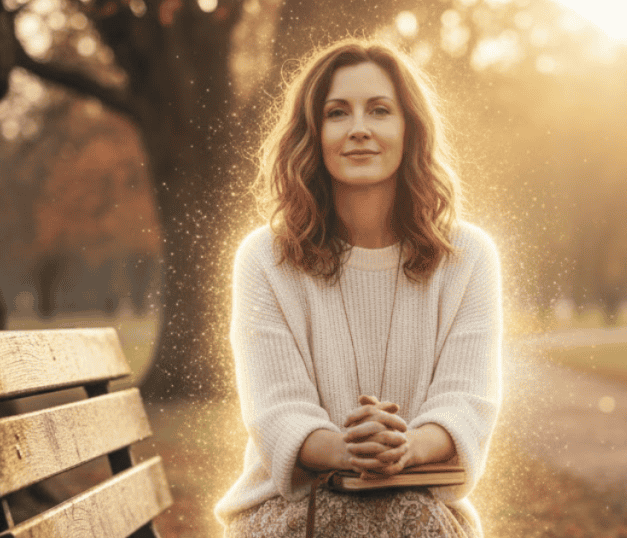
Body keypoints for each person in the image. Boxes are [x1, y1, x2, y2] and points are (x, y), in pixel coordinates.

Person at [214, 38, 503, 537]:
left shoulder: (469, 256)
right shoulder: (265, 258)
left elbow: (466, 400)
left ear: (410, 129)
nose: (360, 129)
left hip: (419, 507)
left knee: (411, 517)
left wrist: (406, 446)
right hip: (287, 509)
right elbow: (277, 411)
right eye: (337, 113)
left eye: (380, 110)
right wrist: (349, 450)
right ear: (313, 133)